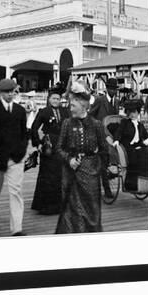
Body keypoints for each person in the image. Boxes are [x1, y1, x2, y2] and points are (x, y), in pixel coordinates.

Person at [55, 81, 109, 234]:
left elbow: (104, 150)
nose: (70, 109)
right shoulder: (67, 123)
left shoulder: (96, 125)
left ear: (83, 106)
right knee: (72, 212)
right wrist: (69, 159)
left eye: (73, 106)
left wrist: (100, 167)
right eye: (70, 105)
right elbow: (58, 148)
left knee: (91, 210)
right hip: (71, 174)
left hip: (91, 174)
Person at [0, 79, 29, 236]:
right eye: (6, 92)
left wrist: (20, 154)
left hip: (16, 159)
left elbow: (24, 136)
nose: (10, 94)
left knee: (16, 192)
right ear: (0, 93)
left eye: (12, 91)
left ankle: (17, 228)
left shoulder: (20, 111)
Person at [30, 84, 70, 215]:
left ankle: (59, 205)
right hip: (49, 146)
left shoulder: (65, 111)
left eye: (58, 99)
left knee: (60, 175)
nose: (55, 101)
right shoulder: (44, 111)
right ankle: (45, 206)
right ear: (49, 99)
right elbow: (34, 128)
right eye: (53, 99)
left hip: (61, 145)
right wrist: (37, 144)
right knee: (47, 176)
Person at [89, 77, 120, 199]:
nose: (113, 91)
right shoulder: (99, 100)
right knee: (102, 162)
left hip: (112, 135)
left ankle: (110, 174)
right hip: (100, 134)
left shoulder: (116, 102)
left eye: (115, 89)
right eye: (111, 89)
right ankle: (107, 190)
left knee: (109, 160)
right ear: (107, 89)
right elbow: (91, 115)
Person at [112, 99, 148, 192]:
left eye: (135, 112)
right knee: (134, 156)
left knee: (146, 154)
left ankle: (144, 182)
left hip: (138, 145)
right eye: (130, 112)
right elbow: (119, 132)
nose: (132, 114)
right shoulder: (125, 123)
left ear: (138, 113)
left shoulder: (140, 125)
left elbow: (146, 136)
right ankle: (130, 184)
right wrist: (116, 140)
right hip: (127, 146)